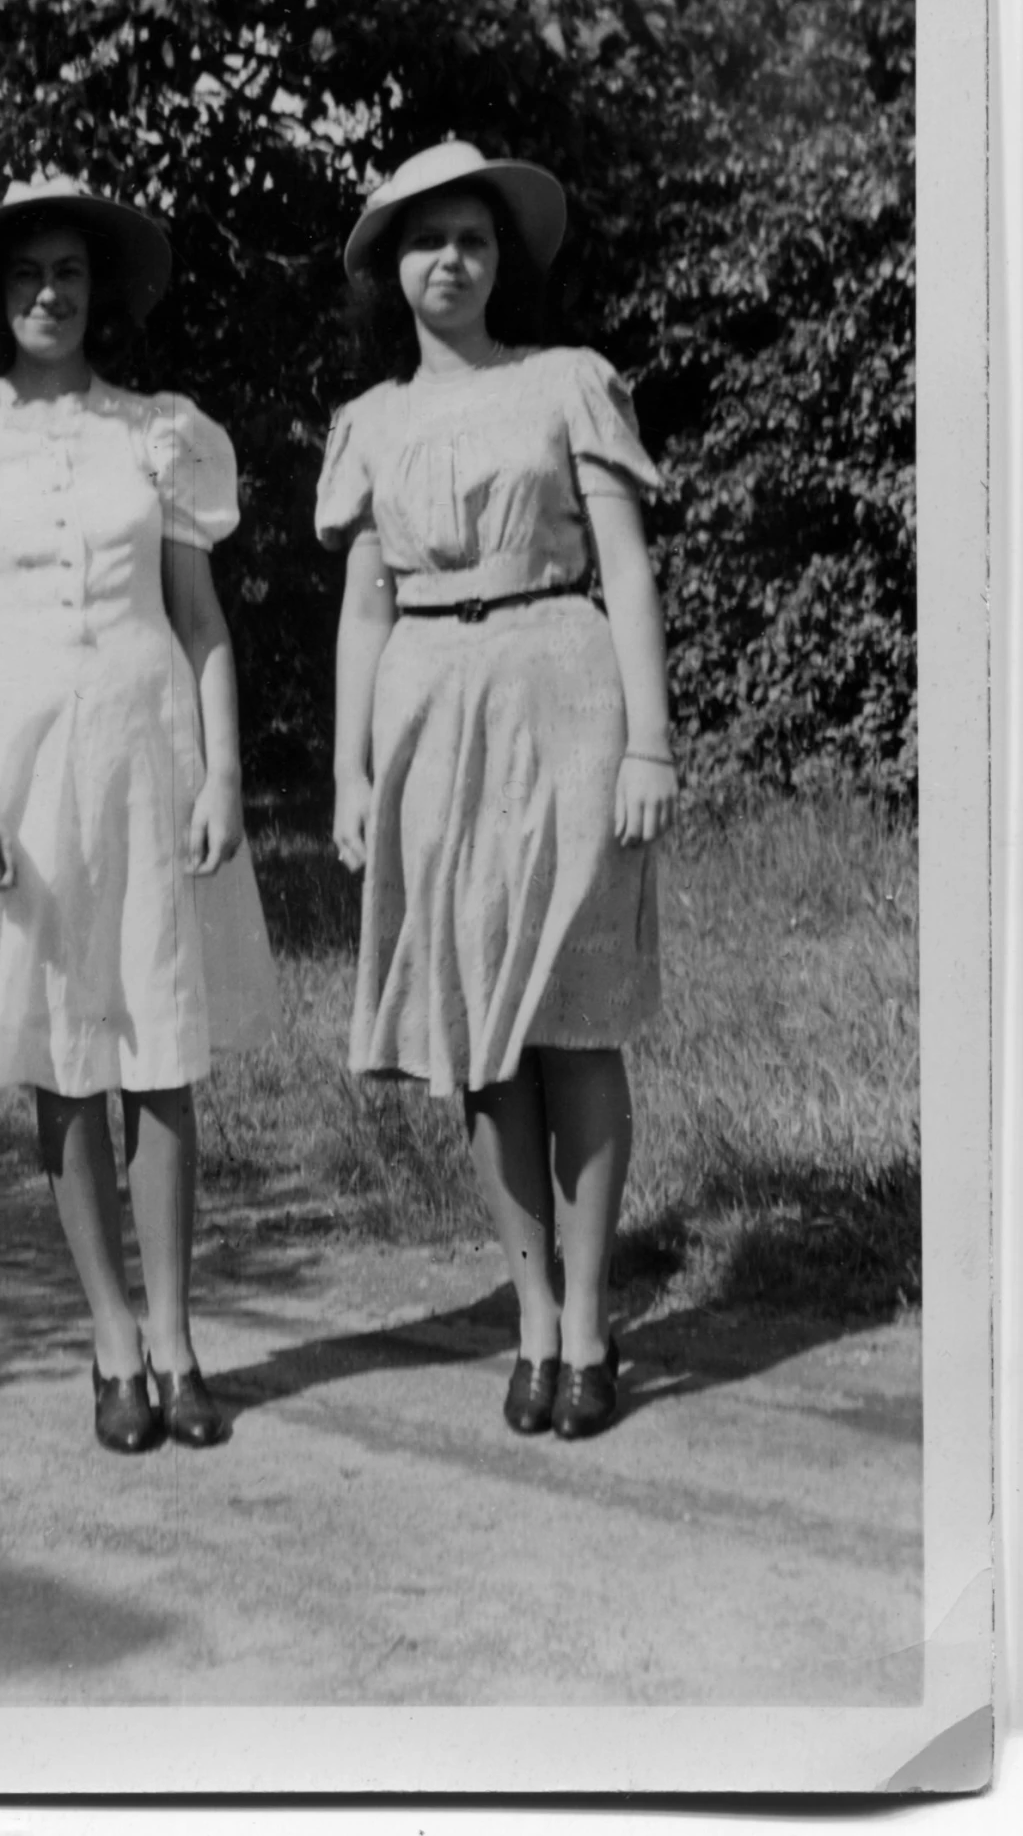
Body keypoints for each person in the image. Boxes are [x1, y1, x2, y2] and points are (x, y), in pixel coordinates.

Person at [0, 173, 280, 1455]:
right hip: (27, 766)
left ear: (98, 291)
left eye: (72, 272)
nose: (51, 292)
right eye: (27, 275)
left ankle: (175, 1336)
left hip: (149, 746)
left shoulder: (156, 432)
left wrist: (223, 774)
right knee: (61, 1052)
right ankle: (109, 1340)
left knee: (159, 1054)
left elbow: (203, 622)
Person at [316, 141, 676, 1441]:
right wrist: (352, 766)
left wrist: (648, 741)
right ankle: (525, 1317)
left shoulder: (567, 383)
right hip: (426, 699)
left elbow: (625, 571)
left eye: (470, 238)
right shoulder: (368, 425)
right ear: (390, 268)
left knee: (571, 1017)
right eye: (425, 242)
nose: (450, 260)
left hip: (560, 685)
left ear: (497, 257)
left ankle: (586, 1320)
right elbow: (360, 608)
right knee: (474, 1027)